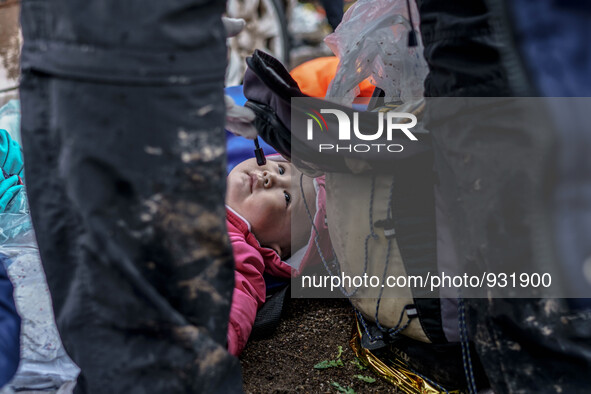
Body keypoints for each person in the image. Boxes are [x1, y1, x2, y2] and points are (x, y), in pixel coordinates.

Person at [19, 1, 242, 392]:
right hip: (82, 52)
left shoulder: (249, 253)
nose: (268, 178)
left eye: (287, 194)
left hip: (117, 54)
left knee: (143, 346)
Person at [224, 156, 329, 355]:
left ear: (276, 249)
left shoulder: (238, 250)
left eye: (286, 197)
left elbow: (235, 300)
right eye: (281, 169)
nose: (269, 177)